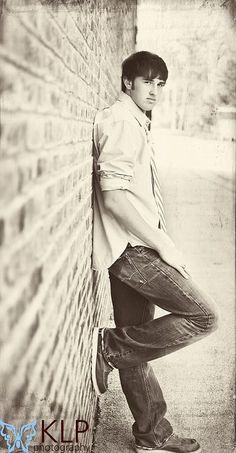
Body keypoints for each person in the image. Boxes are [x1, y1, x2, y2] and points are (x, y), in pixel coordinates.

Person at [91, 51, 218, 453]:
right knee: (203, 316)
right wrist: (162, 243)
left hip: (130, 245)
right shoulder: (121, 122)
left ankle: (150, 434)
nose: (155, 91)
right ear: (127, 81)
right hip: (133, 250)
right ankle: (109, 347)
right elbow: (112, 197)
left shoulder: (133, 122)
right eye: (148, 82)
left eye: (161, 84)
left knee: (139, 342)